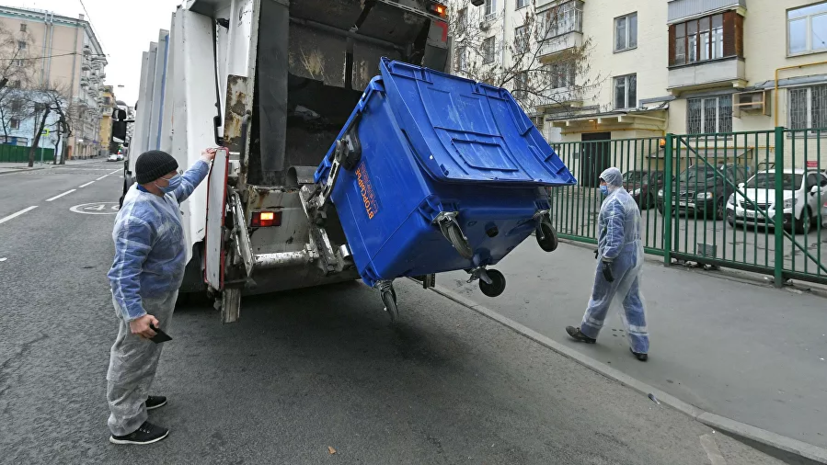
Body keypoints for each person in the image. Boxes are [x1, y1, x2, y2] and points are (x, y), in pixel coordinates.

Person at [106, 148, 216, 444]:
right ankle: (126, 425)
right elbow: (122, 273)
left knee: (148, 352)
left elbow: (185, 184)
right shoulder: (137, 218)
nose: (176, 178)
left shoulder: (160, 194)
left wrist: (204, 161)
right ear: (156, 180)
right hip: (145, 301)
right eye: (171, 174)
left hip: (162, 293)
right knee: (132, 356)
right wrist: (136, 316)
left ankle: (137, 398)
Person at [565, 167, 650, 362]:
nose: (601, 185)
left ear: (610, 182)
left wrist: (607, 257)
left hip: (618, 257)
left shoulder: (613, 203)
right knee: (632, 298)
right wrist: (602, 247)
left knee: (601, 295)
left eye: (602, 181)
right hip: (635, 254)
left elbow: (615, 236)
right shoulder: (627, 199)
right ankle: (641, 346)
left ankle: (588, 332)